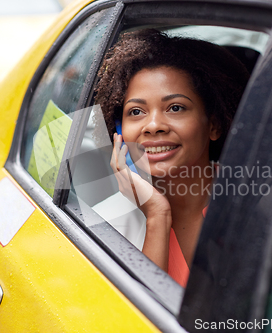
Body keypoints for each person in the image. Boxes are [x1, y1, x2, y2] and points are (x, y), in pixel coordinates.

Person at [94, 29, 249, 287]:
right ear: (119, 132)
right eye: (136, 111)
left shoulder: (253, 199)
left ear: (214, 125)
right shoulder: (107, 223)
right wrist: (157, 215)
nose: (153, 125)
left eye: (175, 107)